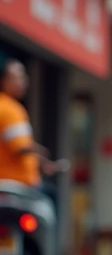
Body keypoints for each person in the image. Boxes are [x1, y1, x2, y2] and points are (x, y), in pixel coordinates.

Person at [0, 58, 69, 190]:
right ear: (4, 80)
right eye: (18, 77)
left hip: (9, 183)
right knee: (46, 204)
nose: (24, 81)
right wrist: (42, 153)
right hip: (14, 184)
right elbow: (19, 146)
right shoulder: (10, 109)